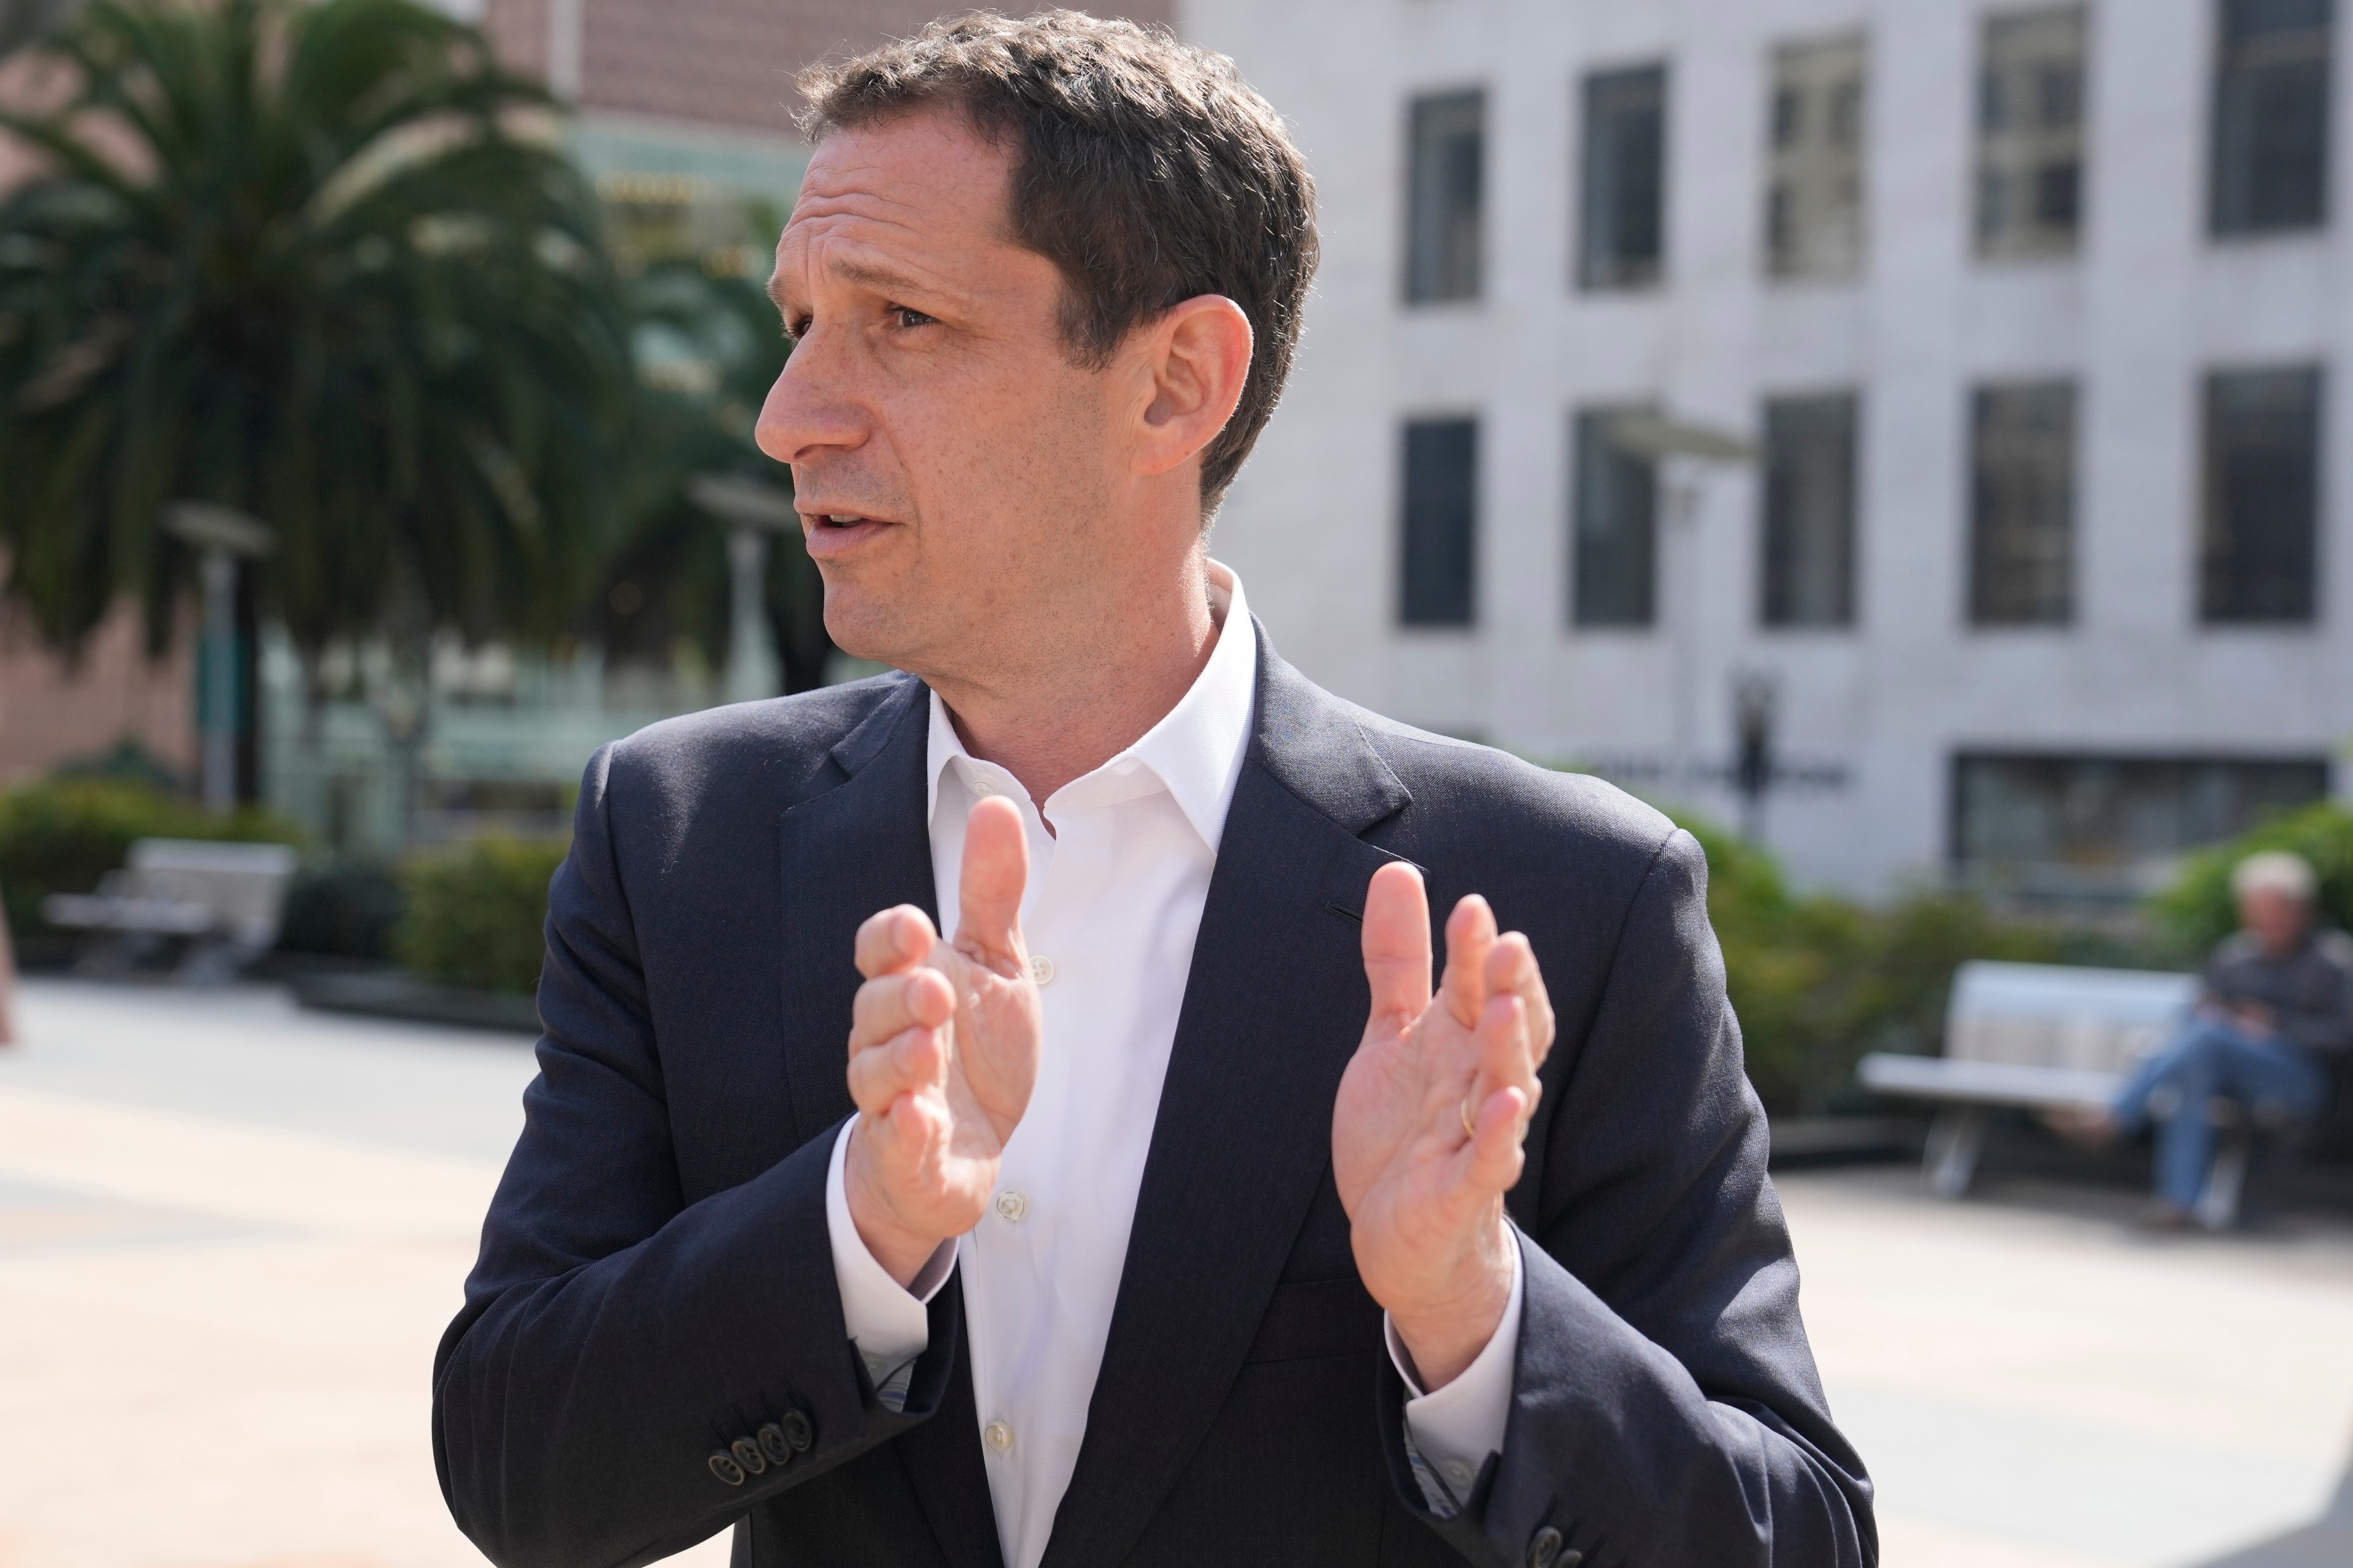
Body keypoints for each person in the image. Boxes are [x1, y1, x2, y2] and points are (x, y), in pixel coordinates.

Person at [431, 15, 1873, 1567]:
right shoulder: (678, 838)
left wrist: (1473, 1310)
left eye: (899, 320)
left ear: (1175, 379)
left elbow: (1796, 1537)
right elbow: (523, 1473)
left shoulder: (1558, 903)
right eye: (798, 322)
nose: (791, 413)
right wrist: (861, 1224)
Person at [2067, 851, 2349, 1225]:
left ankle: (2118, 1114)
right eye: (2256, 910)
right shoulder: (2235, 956)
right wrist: (2212, 1017)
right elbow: (2193, 1018)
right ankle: (2179, 1205)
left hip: (2301, 1080)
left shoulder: (2332, 960)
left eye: (2274, 910)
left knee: (2207, 1040)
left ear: (2301, 910)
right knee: (2195, 1066)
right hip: (2224, 1069)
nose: (2265, 920)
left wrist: (2276, 1026)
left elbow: (2343, 1035)